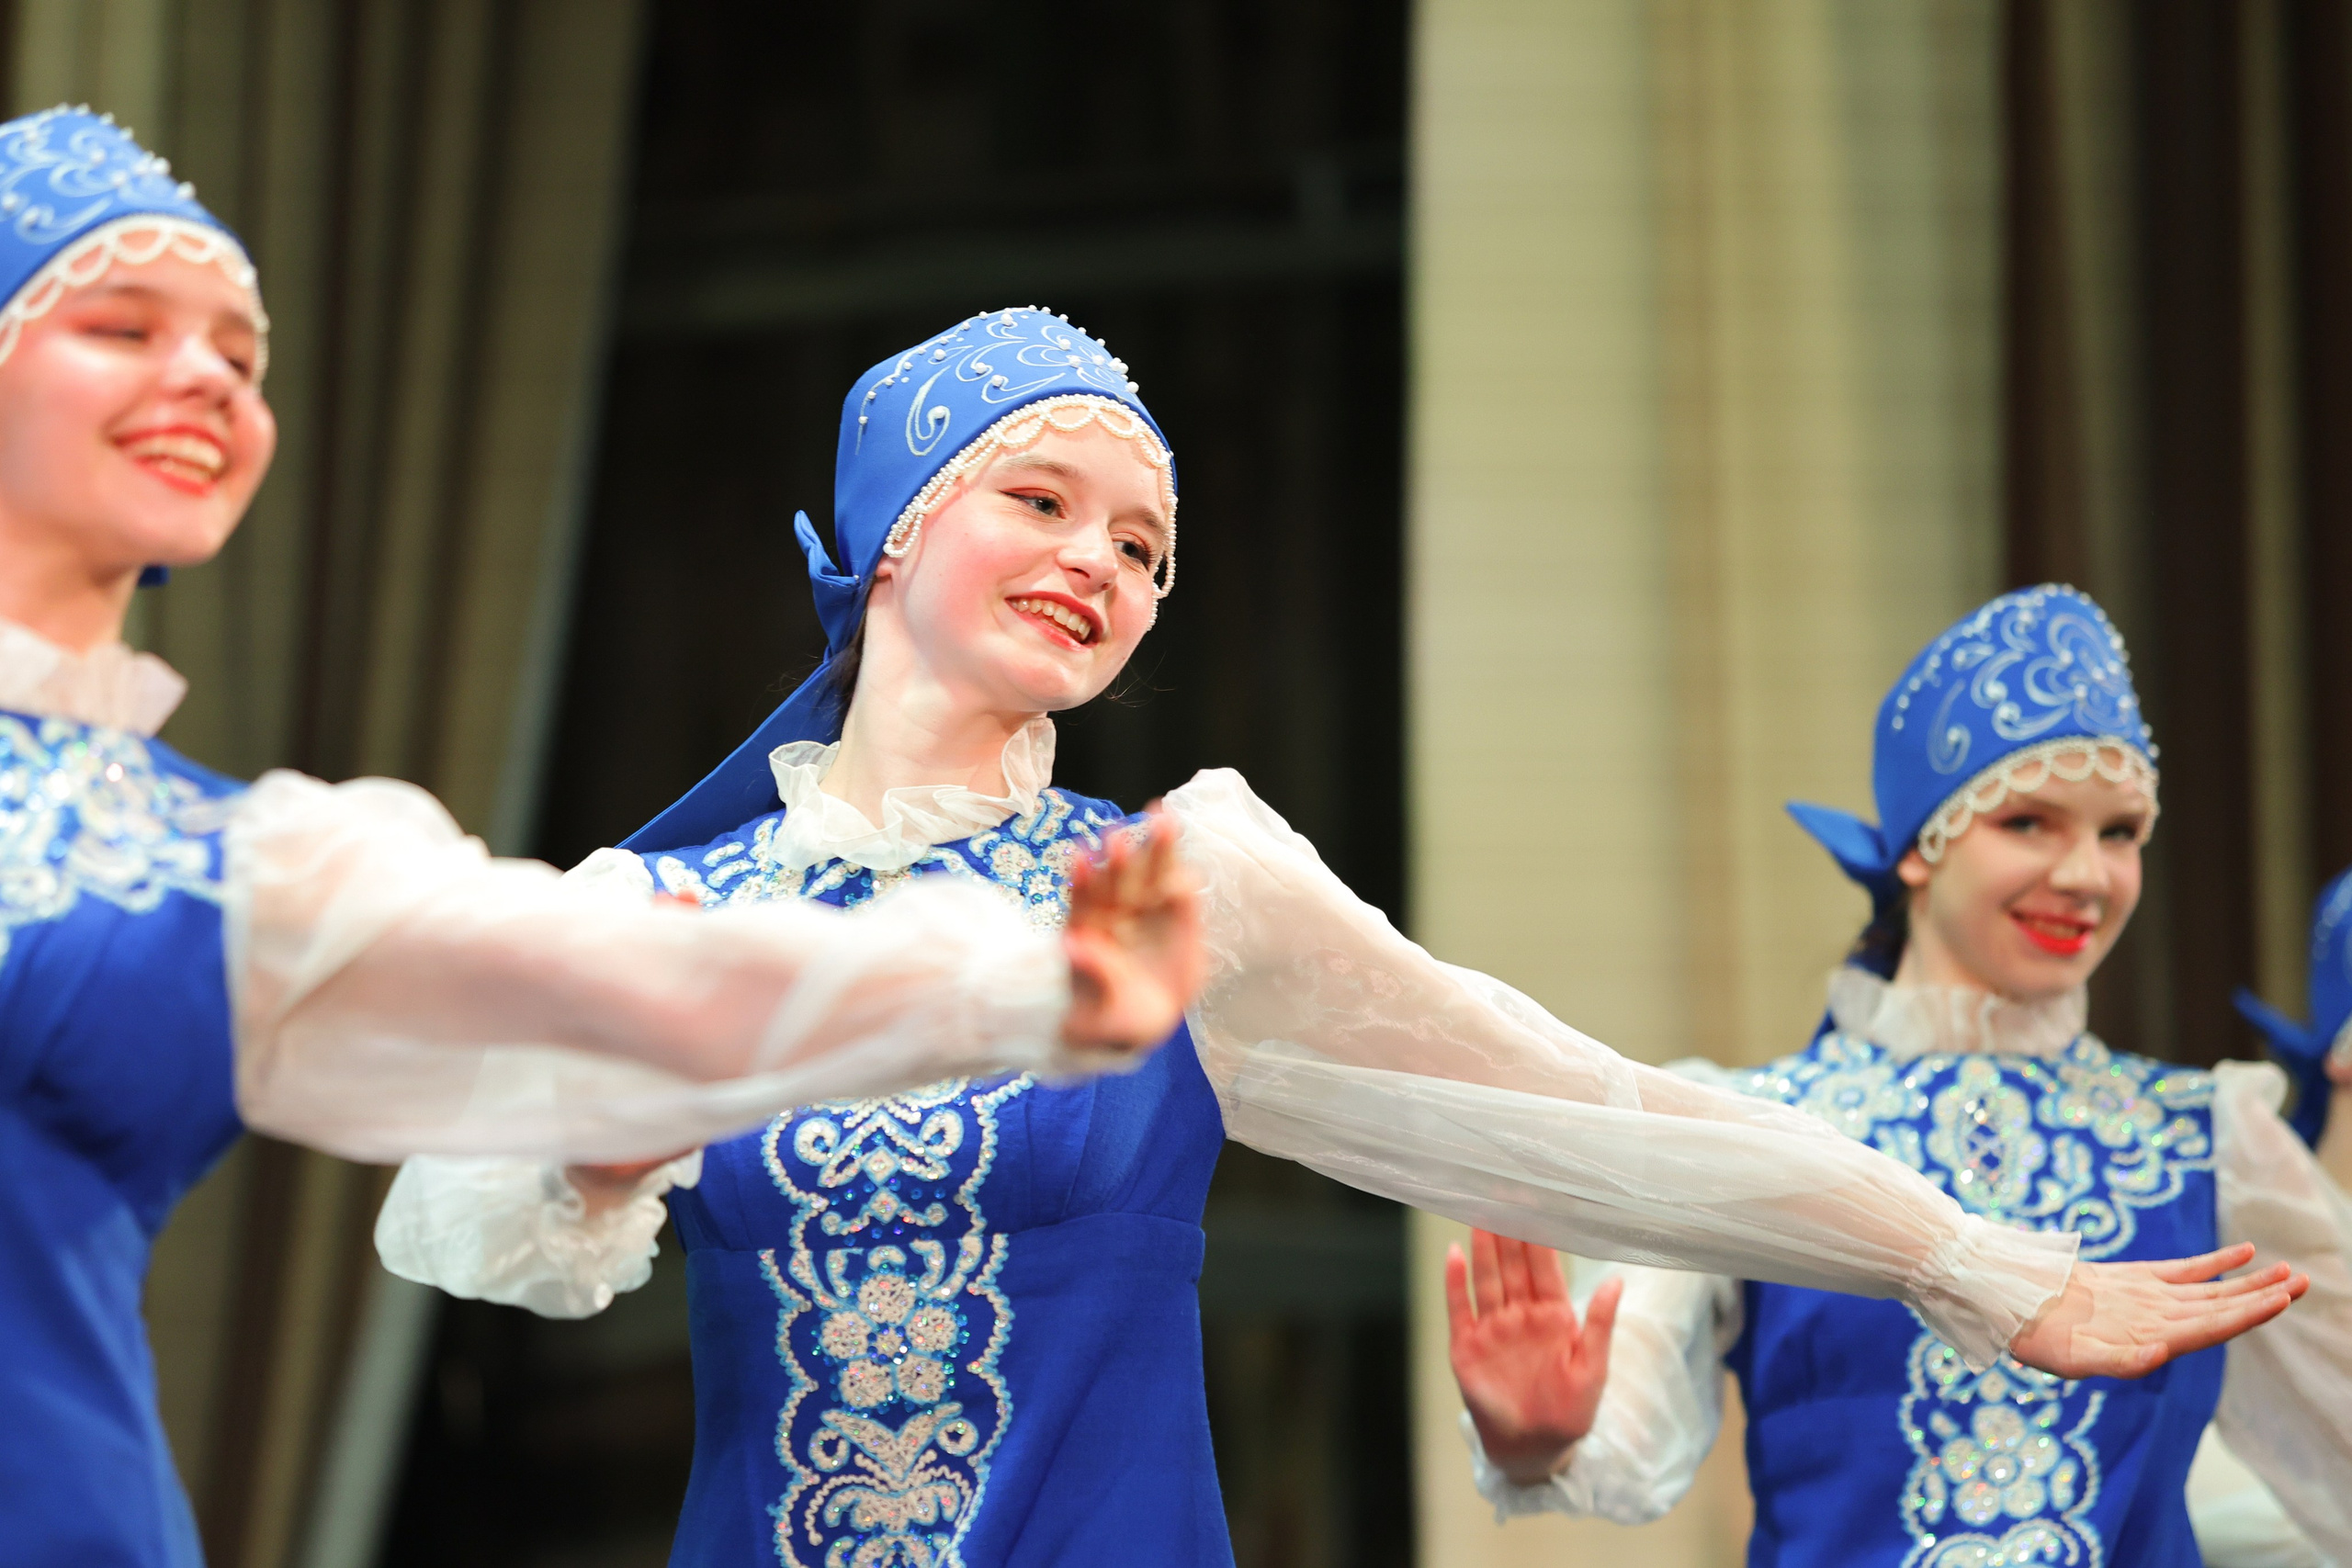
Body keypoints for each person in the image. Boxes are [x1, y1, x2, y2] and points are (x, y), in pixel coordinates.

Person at [380, 335, 2305, 1567]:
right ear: (889, 532)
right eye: (1038, 501)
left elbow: (1599, 1108)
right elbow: (475, 1222)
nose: (1098, 564)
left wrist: (1970, 1266)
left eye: (1142, 545)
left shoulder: (1159, 887)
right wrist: (613, 1134)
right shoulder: (669, 913)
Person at [0, 108, 1204, 1568]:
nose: (204, 377)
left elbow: (614, 989)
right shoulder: (280, 869)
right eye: (125, 325)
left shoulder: (233, 859)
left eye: (243, 356)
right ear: (899, 530)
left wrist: (1028, 993)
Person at [1443, 585, 2351, 1565]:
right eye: (2030, 823)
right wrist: (1537, 1436)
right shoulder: (1748, 1127)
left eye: (2119, 833)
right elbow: (1619, 1431)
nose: (2087, 874)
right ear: (1920, 848)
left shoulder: (2212, 1138)